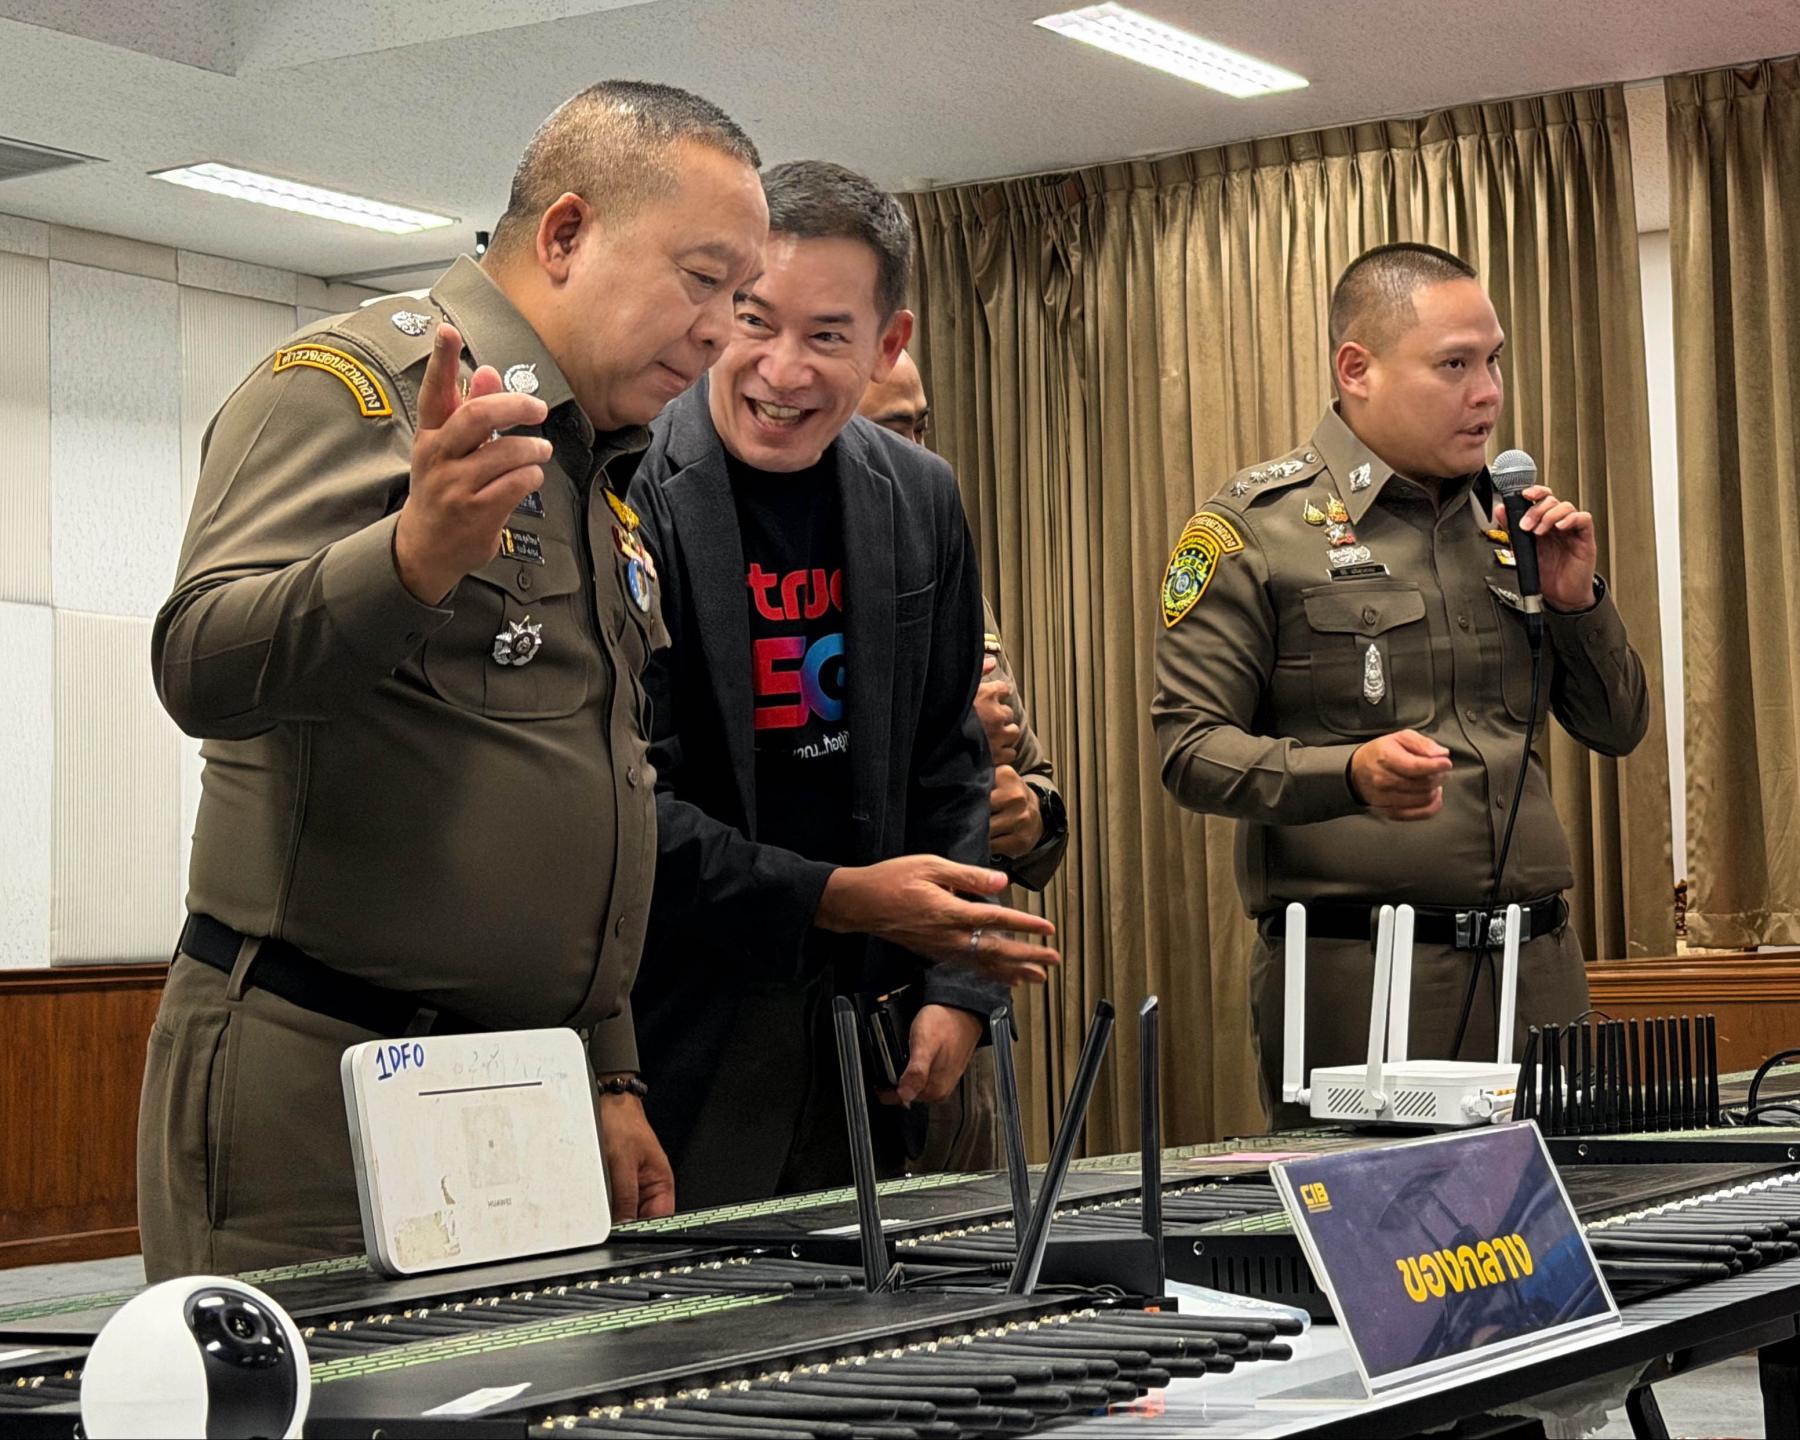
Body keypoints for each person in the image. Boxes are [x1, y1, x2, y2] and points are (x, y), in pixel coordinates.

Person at [140, 81, 768, 1279]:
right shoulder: (354, 388)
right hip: (319, 1087)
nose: (719, 335)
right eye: (702, 280)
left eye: (739, 300)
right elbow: (199, 664)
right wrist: (409, 559)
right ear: (567, 233)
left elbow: (596, 780)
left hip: (519, 1093)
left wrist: (611, 1072)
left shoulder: (596, 466)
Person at [628, 160, 1058, 1207]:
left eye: (827, 336)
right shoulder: (629, 481)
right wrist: (837, 900)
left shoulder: (920, 495)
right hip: (676, 1038)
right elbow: (627, 807)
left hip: (871, 1046)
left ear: (887, 344)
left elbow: (951, 764)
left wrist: (958, 986)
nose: (782, 371)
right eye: (754, 321)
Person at [1153, 242, 1649, 1117]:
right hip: (1365, 976)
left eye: (1493, 360)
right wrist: (1348, 774)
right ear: (1358, 370)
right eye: (1454, 364)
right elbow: (1190, 751)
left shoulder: (1515, 524)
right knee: (1380, 1206)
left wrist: (1578, 605)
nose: (1487, 392)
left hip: (1537, 966)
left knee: (1566, 1200)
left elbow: (1618, 728)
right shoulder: (1256, 529)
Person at [857, 352, 1069, 1170]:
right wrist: (949, 737)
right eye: (893, 431)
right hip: (855, 1002)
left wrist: (1031, 816)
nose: (919, 455)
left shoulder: (945, 570)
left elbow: (1029, 781)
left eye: (922, 428)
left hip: (965, 1004)